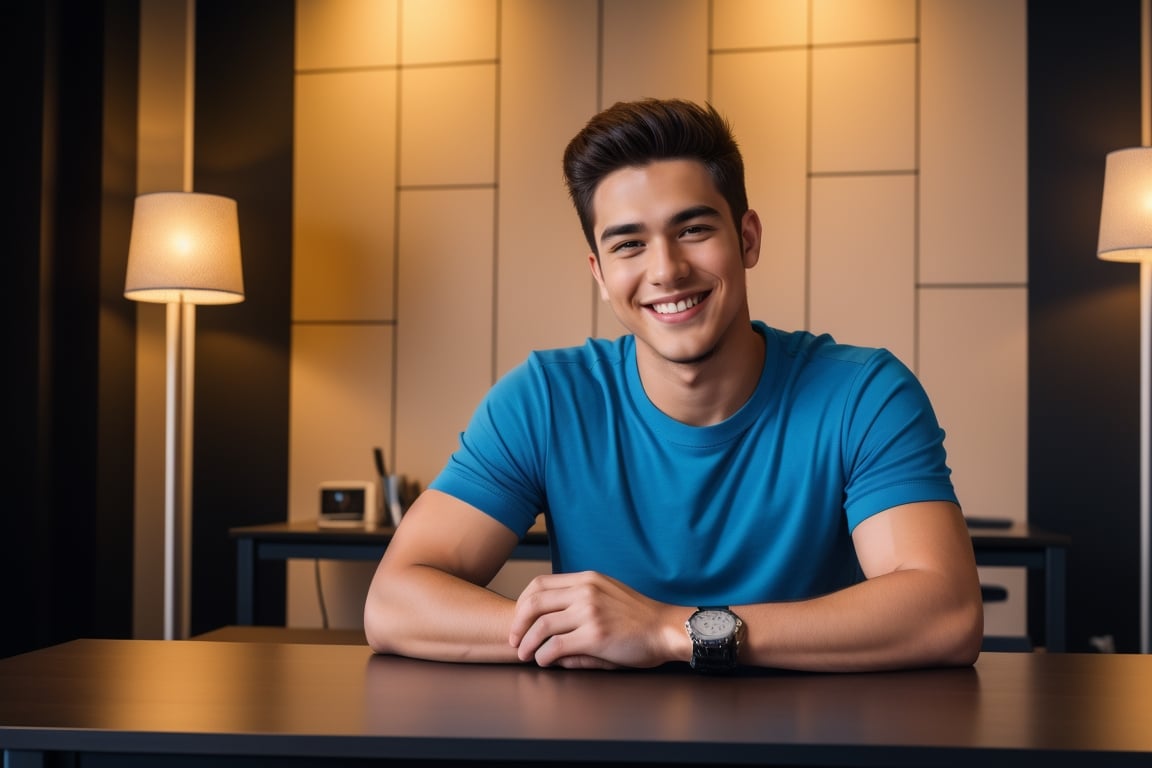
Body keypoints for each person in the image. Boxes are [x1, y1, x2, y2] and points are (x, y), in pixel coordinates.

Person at [364, 98, 983, 673]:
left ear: (747, 239)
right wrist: (574, 632)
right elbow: (393, 600)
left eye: (693, 230)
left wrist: (670, 632)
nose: (665, 270)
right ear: (601, 275)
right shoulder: (547, 399)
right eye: (629, 244)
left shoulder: (864, 395)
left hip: (810, 743)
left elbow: (945, 609)